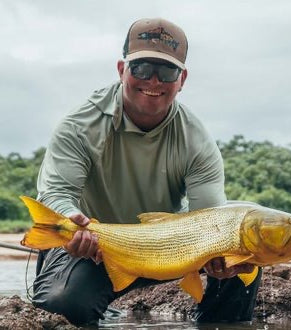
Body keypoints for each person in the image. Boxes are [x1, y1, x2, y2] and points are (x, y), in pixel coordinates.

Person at [32, 18, 261, 326]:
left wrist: (219, 260)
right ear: (120, 69)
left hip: (172, 248)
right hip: (93, 249)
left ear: (182, 79)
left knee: (246, 261)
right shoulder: (78, 126)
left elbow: (210, 218)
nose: (153, 81)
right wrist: (74, 225)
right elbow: (56, 194)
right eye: (141, 68)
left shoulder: (196, 139)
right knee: (62, 303)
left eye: (166, 71)